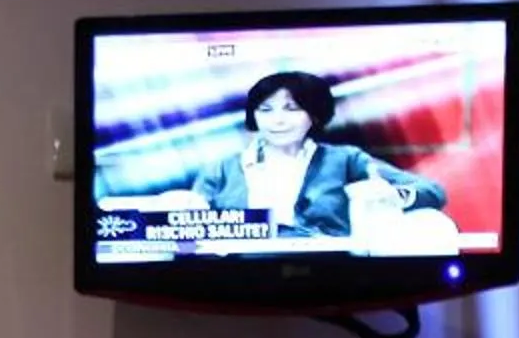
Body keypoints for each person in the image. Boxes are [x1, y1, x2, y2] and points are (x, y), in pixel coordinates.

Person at [189, 69, 446, 240]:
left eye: (291, 109)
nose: (277, 121)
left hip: (329, 271)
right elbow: (185, 228)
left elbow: (433, 191)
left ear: (314, 114)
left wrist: (394, 197)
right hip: (243, 275)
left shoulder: (345, 160)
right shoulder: (222, 169)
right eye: (265, 110)